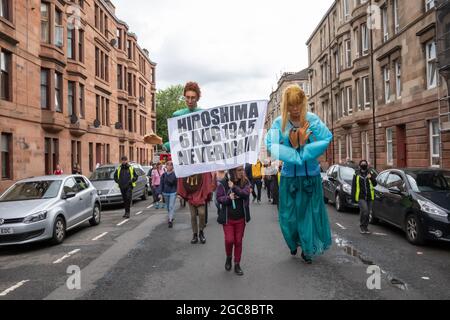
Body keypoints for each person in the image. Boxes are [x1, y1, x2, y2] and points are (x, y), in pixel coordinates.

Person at [266, 85, 332, 264]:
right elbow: (270, 145)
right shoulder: (279, 123)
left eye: (298, 104)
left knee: (307, 215)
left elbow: (326, 137)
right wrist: (293, 151)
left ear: (303, 103)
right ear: (286, 105)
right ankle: (293, 242)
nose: (295, 109)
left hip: (309, 176)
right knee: (287, 216)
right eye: (291, 105)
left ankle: (307, 248)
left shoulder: (312, 120)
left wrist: (305, 150)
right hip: (288, 176)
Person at [173, 82, 215, 245]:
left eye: (193, 97)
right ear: (184, 97)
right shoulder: (177, 115)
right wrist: (164, 143)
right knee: (192, 214)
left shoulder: (204, 114)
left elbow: (210, 138)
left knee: (202, 212)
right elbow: (175, 140)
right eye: (187, 97)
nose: (190, 100)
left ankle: (202, 231)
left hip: (201, 165)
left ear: (197, 97)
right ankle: (195, 234)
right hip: (187, 166)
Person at [216, 166, 251, 276]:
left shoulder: (245, 181)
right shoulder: (223, 183)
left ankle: (237, 264)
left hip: (241, 218)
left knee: (238, 241)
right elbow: (219, 198)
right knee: (229, 240)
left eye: (242, 170)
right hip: (228, 219)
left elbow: (245, 194)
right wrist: (228, 198)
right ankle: (228, 257)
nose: (242, 172)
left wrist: (234, 188)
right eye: (239, 170)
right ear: (233, 171)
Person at [351, 160, 378, 235]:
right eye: (362, 164)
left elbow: (375, 184)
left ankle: (366, 227)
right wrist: (352, 197)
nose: (364, 165)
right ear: (359, 166)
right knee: (365, 211)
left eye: (365, 164)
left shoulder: (370, 173)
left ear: (367, 165)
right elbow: (354, 186)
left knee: (367, 212)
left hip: (369, 196)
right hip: (360, 196)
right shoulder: (356, 174)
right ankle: (362, 226)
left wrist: (371, 178)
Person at [160, 161, 178, 228]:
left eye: (171, 165)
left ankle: (170, 220)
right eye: (168, 165)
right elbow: (161, 184)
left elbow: (177, 184)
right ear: (166, 167)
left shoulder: (175, 174)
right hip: (165, 192)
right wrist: (160, 193)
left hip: (173, 192)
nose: (169, 166)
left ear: (172, 167)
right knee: (168, 207)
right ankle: (171, 216)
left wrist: (178, 193)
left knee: (171, 206)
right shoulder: (163, 175)